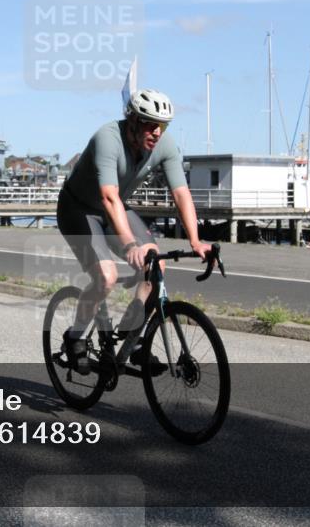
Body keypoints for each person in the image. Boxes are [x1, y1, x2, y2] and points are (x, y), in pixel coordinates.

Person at [56, 89, 208, 374]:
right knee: (106, 277)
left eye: (162, 125)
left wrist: (196, 240)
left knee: (156, 265)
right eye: (150, 124)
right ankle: (75, 337)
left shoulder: (165, 145)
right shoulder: (108, 138)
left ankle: (133, 338)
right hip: (78, 209)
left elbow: (181, 193)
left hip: (114, 209)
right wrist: (129, 245)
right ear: (133, 121)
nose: (156, 131)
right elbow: (109, 197)